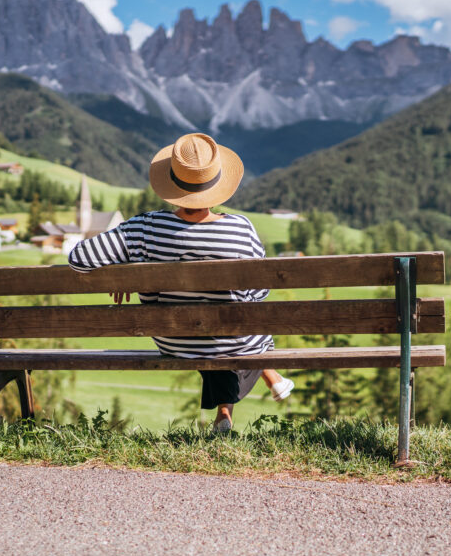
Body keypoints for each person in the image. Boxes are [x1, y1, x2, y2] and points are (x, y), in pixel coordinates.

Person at [68, 132, 293, 432]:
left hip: (175, 342)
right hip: (234, 340)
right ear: (216, 184)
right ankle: (247, 394)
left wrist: (124, 268)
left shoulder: (144, 227)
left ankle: (233, 406)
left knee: (212, 331)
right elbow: (259, 291)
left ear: (172, 184)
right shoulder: (241, 229)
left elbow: (79, 258)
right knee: (240, 326)